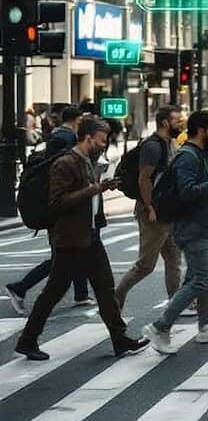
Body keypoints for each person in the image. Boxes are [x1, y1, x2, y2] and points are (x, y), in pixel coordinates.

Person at [14, 116, 149, 360]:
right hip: (70, 238)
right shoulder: (65, 163)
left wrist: (104, 185)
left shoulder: (86, 161)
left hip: (88, 236)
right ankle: (27, 340)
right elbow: (57, 202)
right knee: (54, 291)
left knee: (105, 287)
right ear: (88, 137)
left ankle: (120, 339)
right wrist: (94, 189)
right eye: (101, 139)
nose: (104, 143)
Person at [142, 110, 208, 354]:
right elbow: (187, 192)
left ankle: (206, 327)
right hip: (192, 228)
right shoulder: (187, 156)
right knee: (203, 278)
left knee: (201, 276)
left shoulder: (197, 154)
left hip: (202, 225)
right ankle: (160, 326)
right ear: (201, 131)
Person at [5, 107, 92, 314]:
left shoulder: (60, 136)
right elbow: (59, 173)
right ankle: (20, 287)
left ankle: (81, 294)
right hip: (60, 207)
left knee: (74, 252)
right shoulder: (65, 138)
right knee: (64, 256)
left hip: (63, 206)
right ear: (77, 120)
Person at [114, 106, 185, 311]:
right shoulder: (153, 147)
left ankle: (176, 301)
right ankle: (116, 298)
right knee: (145, 265)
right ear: (164, 123)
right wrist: (149, 207)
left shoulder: (170, 143)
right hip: (153, 212)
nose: (180, 124)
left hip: (167, 211)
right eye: (177, 120)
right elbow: (144, 179)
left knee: (173, 257)